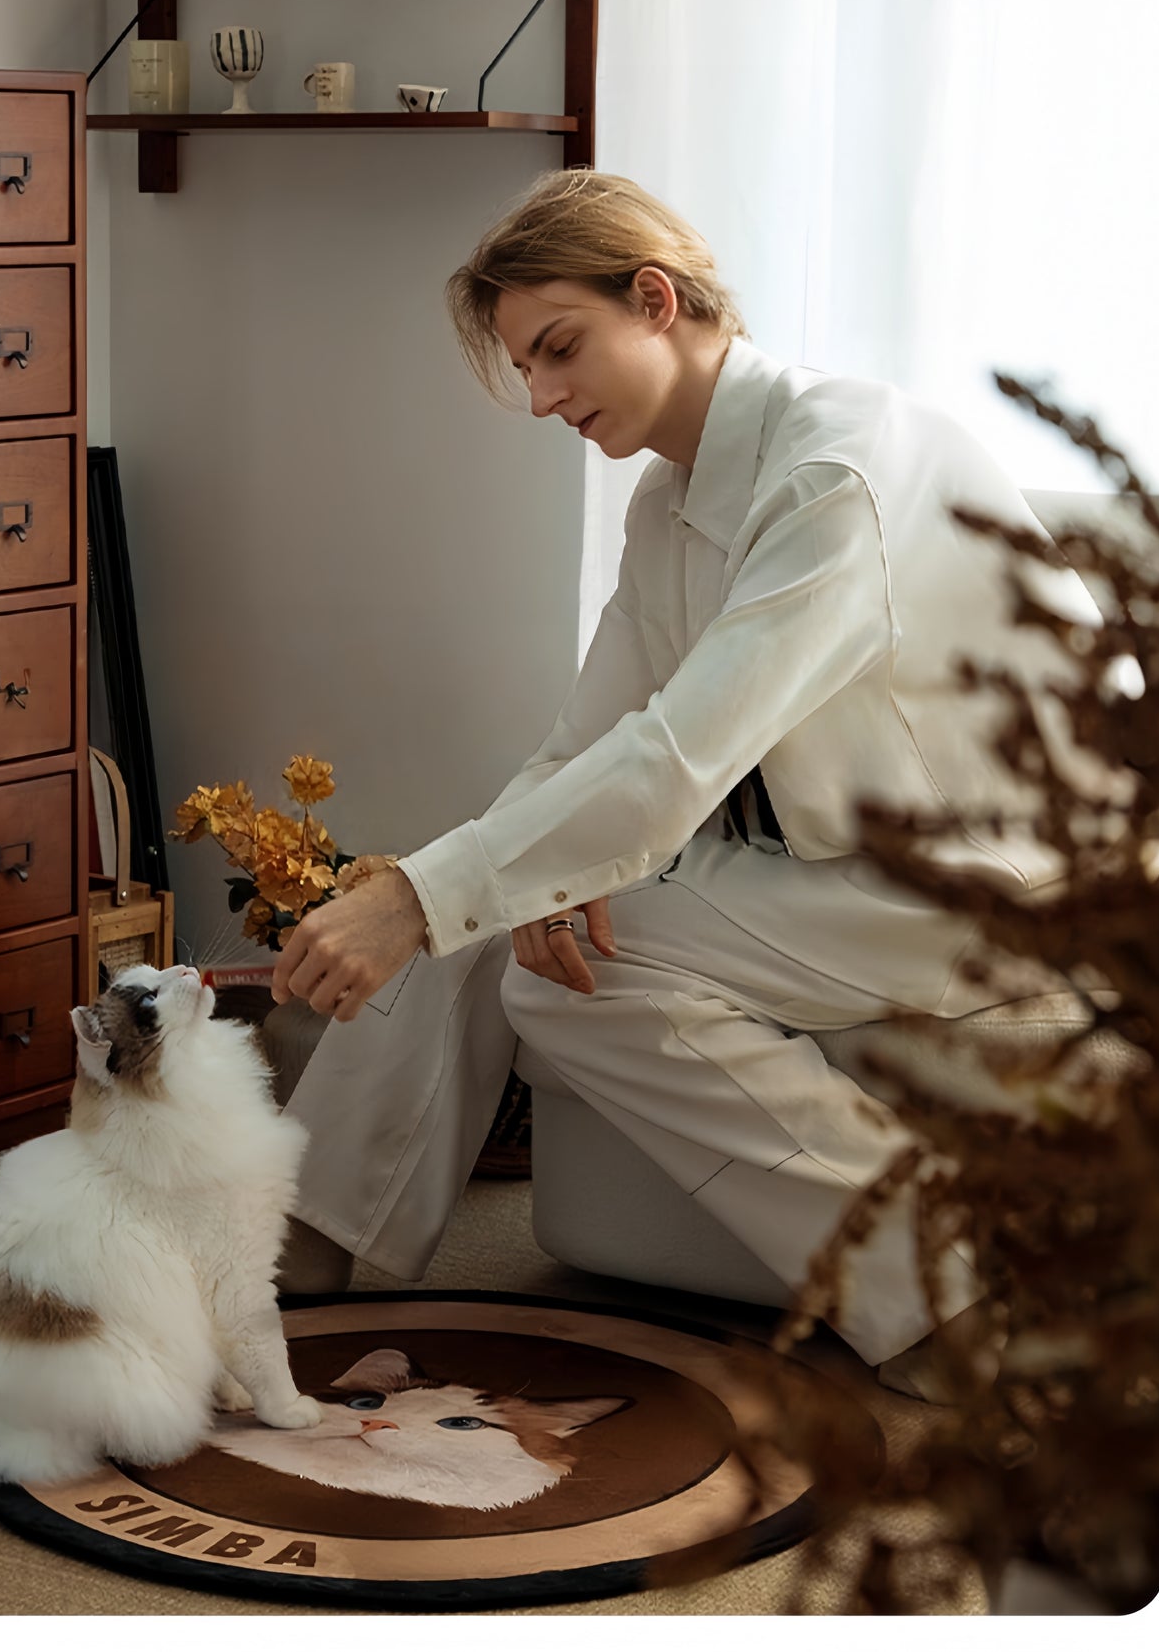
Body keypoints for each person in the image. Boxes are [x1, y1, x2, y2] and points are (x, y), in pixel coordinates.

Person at [267, 169, 1091, 1400]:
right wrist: (446, 884)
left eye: (558, 349)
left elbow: (673, 759)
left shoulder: (835, 471)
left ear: (654, 299)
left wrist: (434, 895)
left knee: (512, 942)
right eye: (525, 369)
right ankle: (290, 1257)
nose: (542, 397)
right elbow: (581, 744)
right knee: (473, 899)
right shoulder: (673, 496)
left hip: (1004, 883)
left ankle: (946, 1297)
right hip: (844, 874)